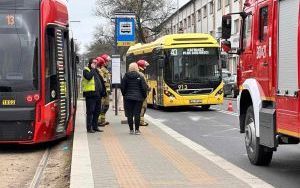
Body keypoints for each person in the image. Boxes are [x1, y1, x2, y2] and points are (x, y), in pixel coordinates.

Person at [121, 62, 148, 135]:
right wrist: (144, 96)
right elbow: (144, 88)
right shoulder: (140, 76)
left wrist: (125, 95)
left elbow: (122, 87)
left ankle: (131, 130)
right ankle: (137, 130)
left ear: (129, 68)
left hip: (128, 98)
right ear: (137, 68)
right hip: (138, 99)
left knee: (129, 114)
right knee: (137, 114)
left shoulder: (125, 76)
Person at [82, 58, 106, 133]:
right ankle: (89, 128)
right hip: (90, 95)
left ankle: (95, 127)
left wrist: (103, 91)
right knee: (90, 111)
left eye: (96, 63)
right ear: (90, 63)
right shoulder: (86, 70)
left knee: (97, 111)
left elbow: (101, 81)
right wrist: (92, 69)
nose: (96, 64)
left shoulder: (96, 70)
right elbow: (88, 77)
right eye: (94, 62)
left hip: (98, 94)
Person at [98, 54, 111, 127]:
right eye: (107, 61)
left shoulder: (105, 70)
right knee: (101, 106)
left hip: (107, 92)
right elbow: (102, 81)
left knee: (106, 105)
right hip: (103, 92)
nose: (108, 63)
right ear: (104, 62)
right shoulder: (101, 70)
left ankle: (103, 120)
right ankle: (99, 121)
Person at [137, 59, 150, 126]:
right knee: (143, 107)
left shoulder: (139, 73)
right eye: (145, 66)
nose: (146, 67)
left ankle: (140, 121)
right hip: (142, 94)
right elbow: (144, 84)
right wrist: (148, 88)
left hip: (139, 94)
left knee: (141, 107)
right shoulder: (141, 74)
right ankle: (141, 122)